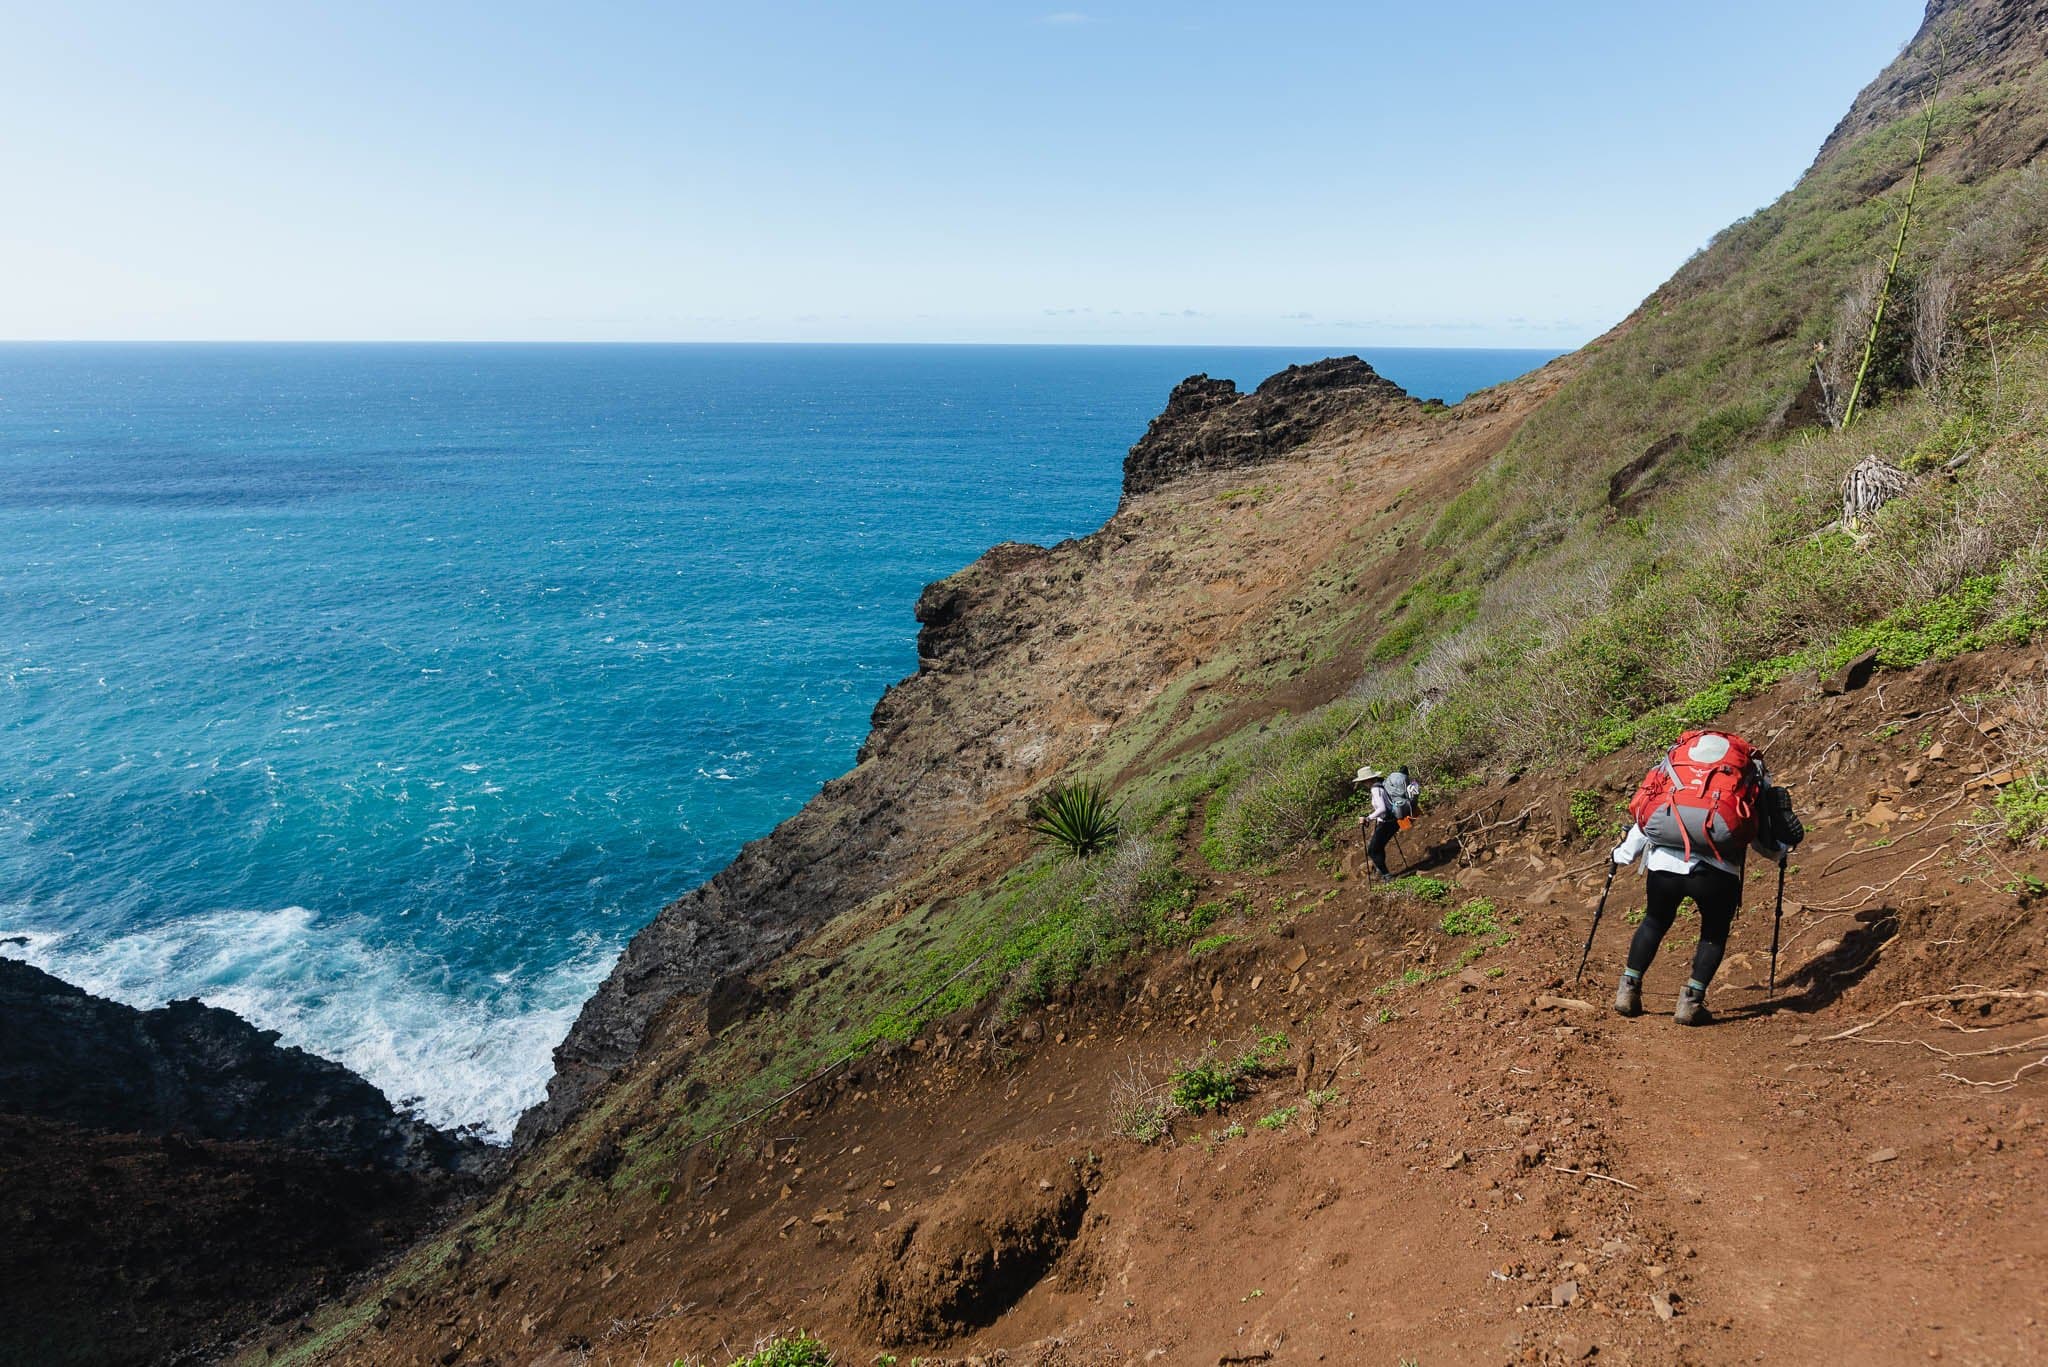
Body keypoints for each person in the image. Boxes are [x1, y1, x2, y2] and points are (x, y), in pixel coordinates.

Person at [1610, 730, 1793, 1026]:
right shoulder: (1746, 771)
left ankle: (1628, 990)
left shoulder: (1674, 765)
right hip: (1718, 872)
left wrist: (1624, 854)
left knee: (1654, 922)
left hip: (1663, 864)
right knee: (1713, 933)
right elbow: (1756, 831)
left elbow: (1646, 816)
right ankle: (1691, 1002)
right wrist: (1780, 853)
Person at [1354, 764, 1420, 879]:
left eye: (1363, 782)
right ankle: (1381, 872)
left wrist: (1367, 818)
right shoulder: (1381, 785)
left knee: (1372, 850)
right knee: (1378, 847)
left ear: (1366, 780)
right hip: (1392, 821)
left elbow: (1382, 808)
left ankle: (1386, 875)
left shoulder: (1375, 789)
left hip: (1387, 822)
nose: (1362, 784)